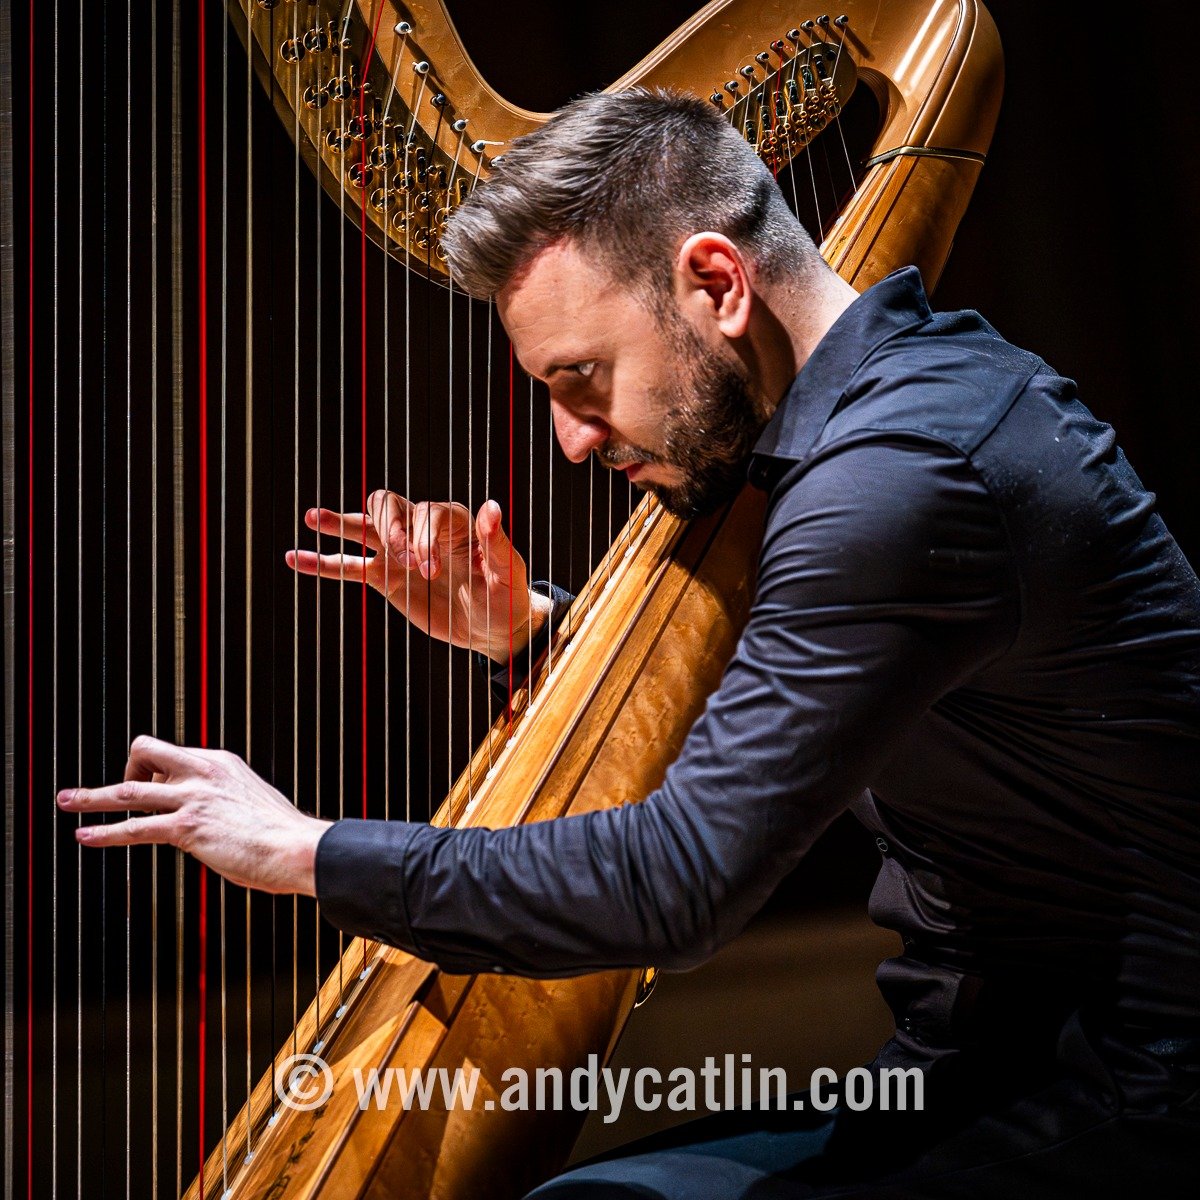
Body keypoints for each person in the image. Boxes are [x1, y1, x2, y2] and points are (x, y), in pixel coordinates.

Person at [57, 90, 1200, 1197]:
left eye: (583, 379)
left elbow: (679, 882)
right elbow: (780, 716)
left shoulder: (900, 477)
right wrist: (531, 630)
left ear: (716, 281)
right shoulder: (899, 402)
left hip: (1128, 1093)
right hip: (989, 1064)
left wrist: (302, 848)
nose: (567, 440)